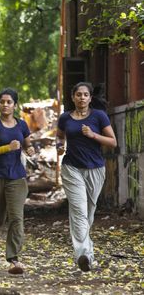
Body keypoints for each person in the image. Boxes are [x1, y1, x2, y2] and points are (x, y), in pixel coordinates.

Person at [56, 82, 117, 272]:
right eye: (78, 95)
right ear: (73, 97)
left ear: (90, 98)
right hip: (71, 168)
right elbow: (60, 137)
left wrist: (93, 135)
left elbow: (113, 142)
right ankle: (83, 254)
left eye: (85, 95)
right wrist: (58, 146)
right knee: (79, 211)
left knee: (88, 213)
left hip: (95, 169)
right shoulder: (65, 118)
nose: (82, 98)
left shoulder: (99, 116)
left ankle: (88, 255)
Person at [0, 88, 35, 275]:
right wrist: (6, 148)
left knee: (16, 218)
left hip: (17, 177)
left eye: (9, 102)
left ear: (15, 105)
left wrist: (31, 150)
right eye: (2, 102)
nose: (5, 105)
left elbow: (28, 144)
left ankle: (14, 259)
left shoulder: (22, 125)